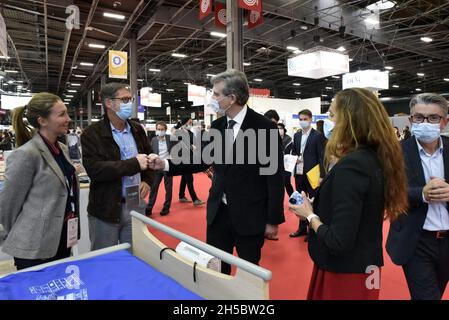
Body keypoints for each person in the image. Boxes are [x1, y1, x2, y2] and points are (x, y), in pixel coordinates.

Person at [148, 69, 285, 275]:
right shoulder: (218, 125)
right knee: (216, 271)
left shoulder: (265, 128)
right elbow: (202, 159)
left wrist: (273, 220)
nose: (212, 98)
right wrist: (166, 165)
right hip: (218, 214)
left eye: (216, 94)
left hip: (250, 216)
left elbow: (274, 177)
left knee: (250, 274)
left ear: (232, 98)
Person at [289, 88, 408, 300]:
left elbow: (338, 241)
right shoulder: (372, 157)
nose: (327, 120)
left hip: (346, 273)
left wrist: (309, 215)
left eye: (332, 115)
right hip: (365, 265)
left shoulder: (353, 165)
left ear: (349, 121)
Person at [0, 92, 80, 270]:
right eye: (61, 114)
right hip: (34, 245)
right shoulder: (26, 154)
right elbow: (7, 206)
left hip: (61, 237)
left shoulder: (63, 149)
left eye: (66, 113)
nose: (68, 118)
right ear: (42, 121)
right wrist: (28, 229)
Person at [386, 93, 449, 300]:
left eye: (432, 118)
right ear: (411, 120)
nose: (425, 122)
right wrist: (422, 193)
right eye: (418, 118)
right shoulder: (395, 152)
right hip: (416, 240)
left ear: (444, 122)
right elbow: (387, 190)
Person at [81, 83, 154, 250]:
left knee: (135, 256)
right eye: (125, 99)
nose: (130, 104)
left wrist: (148, 180)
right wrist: (133, 164)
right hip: (106, 208)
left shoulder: (137, 129)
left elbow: (148, 158)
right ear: (109, 103)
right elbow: (95, 170)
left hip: (135, 204)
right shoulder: (92, 133)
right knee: (105, 260)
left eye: (131, 99)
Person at [290, 109, 325, 239]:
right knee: (300, 200)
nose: (302, 121)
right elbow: (294, 151)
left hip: (313, 173)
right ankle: (301, 228)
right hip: (299, 173)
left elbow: (322, 157)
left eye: (305, 119)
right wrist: (294, 158)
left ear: (310, 119)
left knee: (314, 201)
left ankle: (313, 228)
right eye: (301, 119)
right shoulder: (297, 135)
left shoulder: (317, 136)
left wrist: (322, 175)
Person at [145, 121, 175, 216]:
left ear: (165, 130)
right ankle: (149, 208)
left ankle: (166, 208)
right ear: (156, 130)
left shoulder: (170, 138)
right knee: (153, 188)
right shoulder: (153, 140)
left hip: (167, 166)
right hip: (156, 168)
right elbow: (150, 151)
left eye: (162, 129)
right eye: (159, 129)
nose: (160, 131)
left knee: (168, 189)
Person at [175, 117, 204, 206]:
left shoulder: (190, 132)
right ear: (184, 123)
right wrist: (191, 146)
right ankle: (195, 199)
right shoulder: (178, 132)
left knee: (185, 177)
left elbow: (195, 142)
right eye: (189, 122)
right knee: (189, 178)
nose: (191, 124)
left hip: (190, 156)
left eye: (191, 122)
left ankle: (181, 196)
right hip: (183, 157)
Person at [278, 123, 294, 197]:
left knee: (287, 183)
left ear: (284, 129)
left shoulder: (289, 140)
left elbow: (291, 152)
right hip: (276, 166)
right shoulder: (273, 138)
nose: (279, 130)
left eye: (281, 128)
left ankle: (293, 200)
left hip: (287, 166)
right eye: (278, 128)